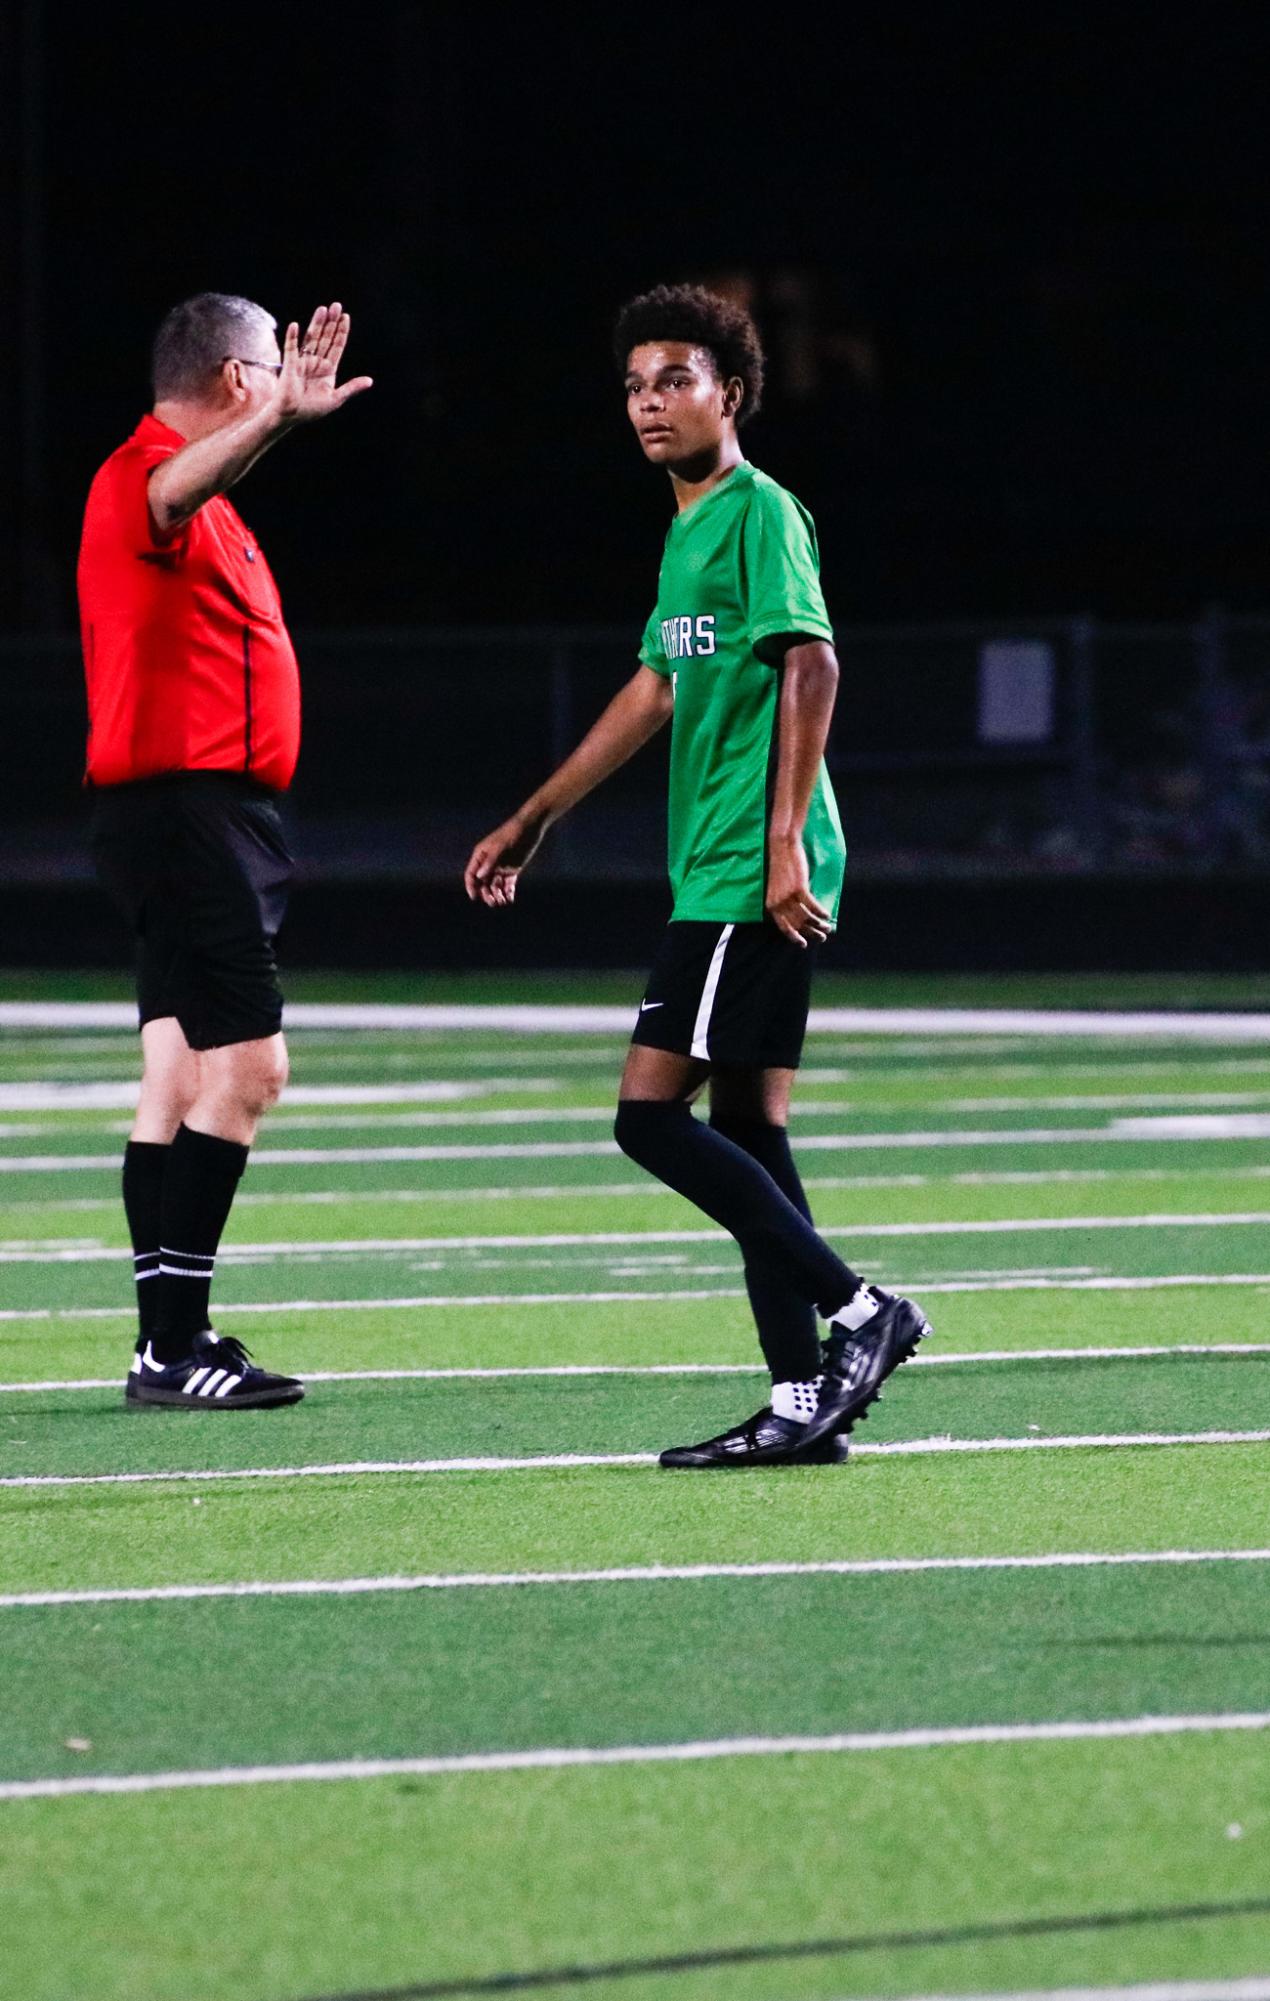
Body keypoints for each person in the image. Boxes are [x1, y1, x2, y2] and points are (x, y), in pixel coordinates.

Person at [465, 283, 930, 1468]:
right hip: (727, 858)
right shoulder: (685, 530)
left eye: (674, 379)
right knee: (750, 1132)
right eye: (632, 385)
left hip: (745, 866)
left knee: (644, 1116)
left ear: (731, 391)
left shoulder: (758, 511)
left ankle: (863, 1313)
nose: (648, 403)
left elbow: (812, 666)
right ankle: (797, 1401)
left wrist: (779, 845)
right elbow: (656, 688)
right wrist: (536, 815)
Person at [78, 291, 372, 1409]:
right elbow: (168, 487)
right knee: (252, 1071)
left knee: (177, 1077)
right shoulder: (139, 475)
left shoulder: (198, 496)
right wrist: (279, 421)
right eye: (267, 379)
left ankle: (165, 1345)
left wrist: (268, 430)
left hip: (181, 817)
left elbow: (194, 488)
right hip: (190, 816)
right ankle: (180, 1341)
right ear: (242, 380)